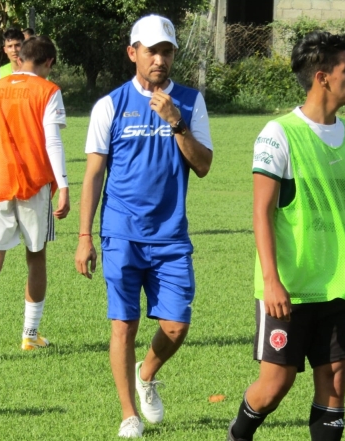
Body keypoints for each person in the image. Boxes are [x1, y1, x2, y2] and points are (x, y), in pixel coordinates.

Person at [227, 31, 345, 441]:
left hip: (339, 284)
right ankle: (238, 434)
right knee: (276, 385)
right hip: (290, 288)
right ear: (322, 77)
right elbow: (261, 212)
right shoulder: (279, 134)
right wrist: (272, 281)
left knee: (335, 381)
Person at [74, 14, 213, 439]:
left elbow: (204, 165)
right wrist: (84, 238)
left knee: (176, 325)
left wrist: (175, 120)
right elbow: (94, 175)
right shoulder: (110, 105)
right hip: (120, 233)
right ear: (133, 53)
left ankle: (147, 373)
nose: (160, 59)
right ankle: (128, 414)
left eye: (167, 51)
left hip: (171, 236)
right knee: (123, 324)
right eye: (151, 50)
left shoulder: (190, 102)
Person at [0, 36, 70, 360]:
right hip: (34, 185)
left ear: (20, 56)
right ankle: (29, 334)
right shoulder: (49, 91)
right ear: (49, 63)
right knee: (35, 257)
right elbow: (53, 142)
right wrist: (64, 185)